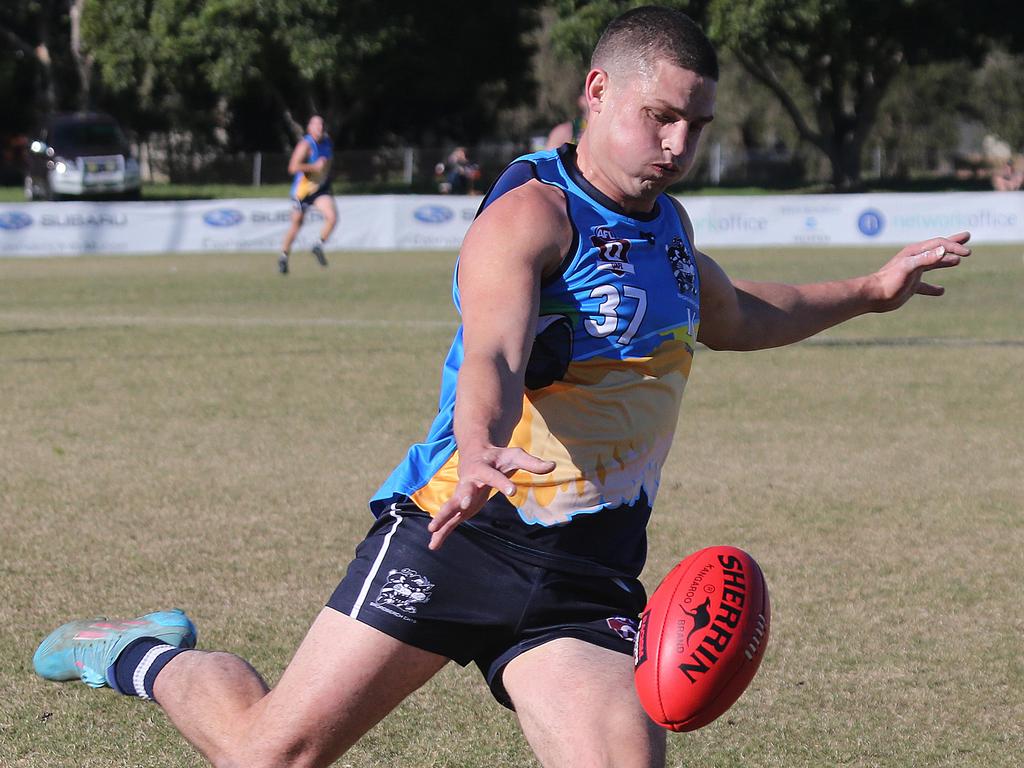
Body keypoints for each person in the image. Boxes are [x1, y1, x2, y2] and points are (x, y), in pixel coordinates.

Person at [33, 7, 970, 767]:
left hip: (586, 572)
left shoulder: (669, 230)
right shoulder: (530, 218)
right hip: (458, 531)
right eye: (662, 117)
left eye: (698, 124)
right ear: (598, 92)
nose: (680, 143)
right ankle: (137, 653)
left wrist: (868, 293)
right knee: (268, 756)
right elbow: (492, 346)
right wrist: (480, 440)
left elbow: (737, 313)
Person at [278, 114, 337, 275]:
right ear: (309, 128)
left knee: (332, 217)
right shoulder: (305, 145)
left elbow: (328, 163)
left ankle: (317, 246)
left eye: (322, 125)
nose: (320, 128)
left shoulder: (327, 143)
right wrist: (313, 167)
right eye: (316, 125)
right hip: (302, 191)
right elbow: (292, 168)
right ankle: (283, 256)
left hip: (320, 189)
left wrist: (326, 176)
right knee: (297, 224)